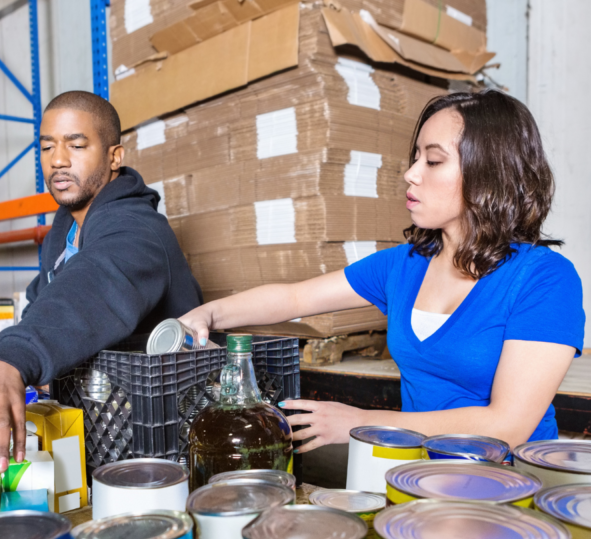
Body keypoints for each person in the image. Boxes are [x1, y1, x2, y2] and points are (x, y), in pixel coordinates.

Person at [180, 90, 585, 453]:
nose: (411, 173)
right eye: (415, 158)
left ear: (489, 173)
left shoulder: (544, 279)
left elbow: (508, 426)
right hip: (419, 473)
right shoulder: (405, 264)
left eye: (433, 160)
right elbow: (295, 298)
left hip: (510, 487)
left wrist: (361, 421)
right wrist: (209, 314)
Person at [0, 91, 202, 470]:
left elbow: (94, 287)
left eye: (76, 145)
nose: (58, 160)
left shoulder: (137, 230)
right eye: (47, 147)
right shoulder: (65, 229)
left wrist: (11, 359)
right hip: (102, 420)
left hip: (158, 433)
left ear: (114, 157)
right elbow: (45, 298)